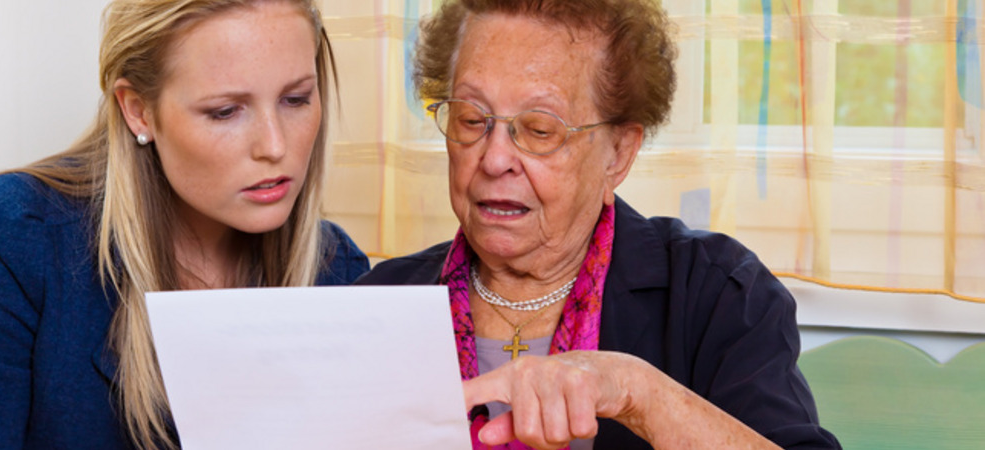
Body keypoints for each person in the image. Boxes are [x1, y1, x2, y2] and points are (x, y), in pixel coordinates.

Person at [356, 0, 840, 449]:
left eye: (539, 129)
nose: (495, 158)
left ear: (618, 154)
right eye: (469, 118)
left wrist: (638, 394)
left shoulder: (718, 292)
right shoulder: (377, 303)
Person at [0, 0, 369, 448]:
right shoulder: (13, 241)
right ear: (138, 110)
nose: (274, 145)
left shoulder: (337, 270)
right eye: (225, 111)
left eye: (296, 99)